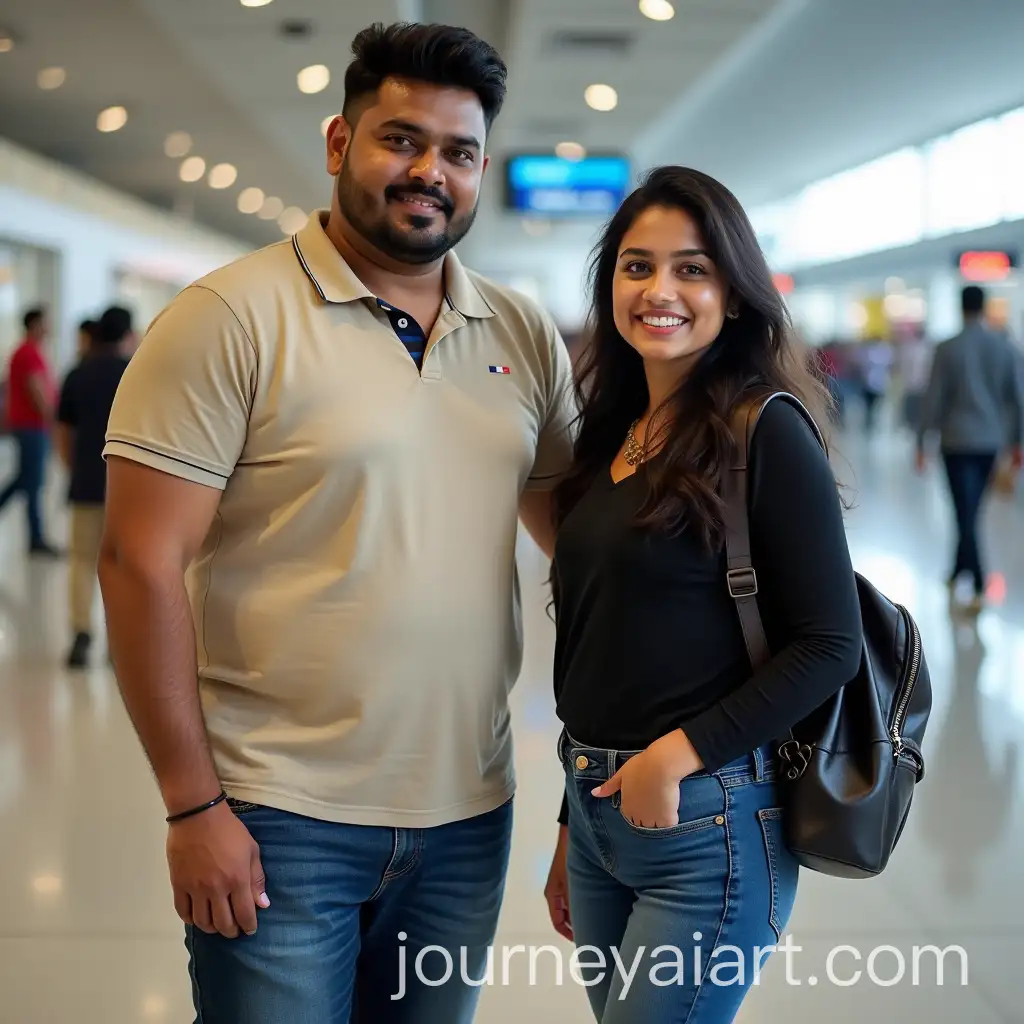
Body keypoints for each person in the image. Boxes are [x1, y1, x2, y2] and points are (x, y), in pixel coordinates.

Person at [99, 21, 574, 1024]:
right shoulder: (228, 317)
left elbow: (585, 552)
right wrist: (192, 805)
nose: (428, 172)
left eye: (458, 152)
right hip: (279, 816)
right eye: (401, 139)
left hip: (470, 814)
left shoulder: (523, 333)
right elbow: (139, 562)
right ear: (337, 143)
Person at [542, 167, 863, 1024]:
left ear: (734, 289)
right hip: (598, 807)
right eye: (637, 266)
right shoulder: (613, 434)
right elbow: (603, 640)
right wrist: (572, 820)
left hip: (710, 820)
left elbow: (830, 642)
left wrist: (679, 754)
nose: (660, 291)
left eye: (692, 269)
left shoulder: (764, 428)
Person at [916, 284, 1024, 612]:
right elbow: (1017, 398)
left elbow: (933, 398)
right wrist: (1017, 441)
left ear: (961, 308)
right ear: (984, 307)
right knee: (970, 509)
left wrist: (922, 441)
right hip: (989, 442)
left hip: (955, 441)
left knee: (964, 510)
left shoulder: (947, 348)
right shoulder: (1003, 347)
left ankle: (976, 579)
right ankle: (957, 569)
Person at [55, 306, 135, 668]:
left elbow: (62, 431)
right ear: (126, 333)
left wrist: (75, 467)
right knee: (123, 563)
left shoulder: (77, 373)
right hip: (128, 491)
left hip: (85, 485)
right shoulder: (134, 372)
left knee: (82, 560)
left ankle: (81, 632)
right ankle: (117, 640)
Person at [0, 306, 60, 555]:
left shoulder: (27, 351)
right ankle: (36, 539)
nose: (49, 326)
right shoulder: (28, 352)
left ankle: (36, 537)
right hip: (32, 426)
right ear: (35, 324)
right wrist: (53, 422)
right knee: (31, 481)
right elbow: (37, 392)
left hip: (29, 426)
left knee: (27, 479)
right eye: (46, 321)